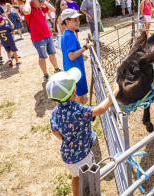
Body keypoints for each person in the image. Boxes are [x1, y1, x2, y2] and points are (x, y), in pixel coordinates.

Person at [48, 68, 119, 196]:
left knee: (76, 176)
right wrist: (113, 94)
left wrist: (65, 139)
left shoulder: (55, 112)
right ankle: (95, 193)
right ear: (74, 90)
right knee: (91, 176)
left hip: (66, 156)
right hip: (82, 157)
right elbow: (100, 109)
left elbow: (54, 131)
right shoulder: (78, 109)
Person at [23, 0, 61, 82]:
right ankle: (45, 75)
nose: (41, 3)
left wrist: (43, 2)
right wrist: (28, 1)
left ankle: (56, 69)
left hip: (48, 35)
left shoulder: (41, 8)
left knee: (52, 54)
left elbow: (53, 9)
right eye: (39, 1)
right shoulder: (29, 8)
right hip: (38, 38)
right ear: (33, 0)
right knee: (42, 57)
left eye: (41, 1)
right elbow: (26, 12)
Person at [60, 9, 93, 104]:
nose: (78, 22)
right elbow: (71, 56)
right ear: (67, 21)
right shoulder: (70, 36)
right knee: (80, 94)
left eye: (78, 19)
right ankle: (81, 114)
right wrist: (85, 47)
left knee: (74, 93)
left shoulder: (65, 34)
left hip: (70, 69)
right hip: (76, 71)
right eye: (75, 20)